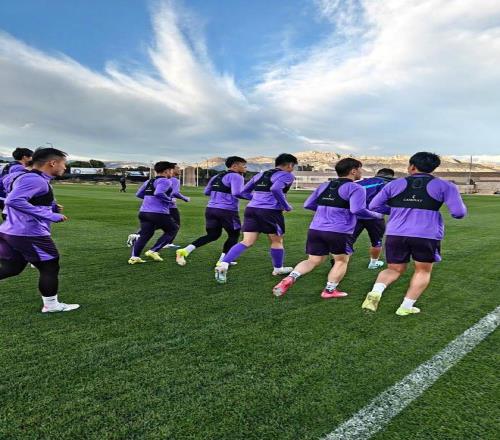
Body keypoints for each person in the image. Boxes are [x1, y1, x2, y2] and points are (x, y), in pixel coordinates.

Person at [361, 152, 467, 316]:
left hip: (396, 233)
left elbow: (374, 205)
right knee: (422, 271)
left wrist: (396, 211)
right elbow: (458, 213)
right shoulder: (446, 186)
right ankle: (406, 307)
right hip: (426, 234)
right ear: (433, 168)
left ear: (411, 167)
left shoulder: (394, 184)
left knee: (394, 269)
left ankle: (376, 292)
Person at [273, 158, 383, 298]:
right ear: (353, 171)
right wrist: (376, 215)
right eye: (360, 169)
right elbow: (357, 210)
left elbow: (308, 204)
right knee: (341, 261)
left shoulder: (325, 185)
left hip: (316, 229)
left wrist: (326, 212)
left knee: (312, 260)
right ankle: (329, 291)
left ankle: (290, 277)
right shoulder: (356, 188)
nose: (361, 172)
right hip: (339, 231)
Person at [0, 147, 79, 313]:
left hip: (10, 230)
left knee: (12, 268)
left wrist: (50, 206)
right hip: (28, 233)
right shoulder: (35, 180)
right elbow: (14, 200)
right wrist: (49, 215)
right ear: (53, 163)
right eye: (63, 163)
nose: (65, 167)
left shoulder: (19, 175)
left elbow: (21, 198)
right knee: (50, 266)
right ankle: (51, 305)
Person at [214, 153, 298, 284]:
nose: (292, 169)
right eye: (293, 166)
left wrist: (257, 200)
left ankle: (223, 264)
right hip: (270, 212)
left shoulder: (260, 175)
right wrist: (286, 206)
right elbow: (276, 188)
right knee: (277, 241)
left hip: (251, 209)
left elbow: (243, 192)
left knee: (247, 241)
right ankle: (278, 269)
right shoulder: (287, 175)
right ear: (289, 165)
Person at [176, 156, 247, 266]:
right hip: (227, 211)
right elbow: (237, 193)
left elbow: (206, 192)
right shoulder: (237, 176)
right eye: (243, 165)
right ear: (234, 166)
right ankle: (223, 261)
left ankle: (185, 250)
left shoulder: (216, 176)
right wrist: (255, 198)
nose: (245, 168)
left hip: (211, 209)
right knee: (234, 235)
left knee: (213, 234)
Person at [128, 161, 179, 264]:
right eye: (171, 170)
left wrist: (150, 200)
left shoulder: (149, 181)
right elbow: (158, 193)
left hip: (144, 212)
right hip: (158, 213)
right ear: (166, 171)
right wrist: (170, 200)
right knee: (173, 229)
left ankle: (134, 257)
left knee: (145, 234)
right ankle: (153, 251)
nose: (172, 172)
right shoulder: (165, 181)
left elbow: (139, 194)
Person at [348, 168, 395, 269]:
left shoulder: (361, 182)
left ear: (377, 174)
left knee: (348, 240)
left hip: (356, 215)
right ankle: (373, 264)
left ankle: (339, 263)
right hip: (375, 217)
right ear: (390, 175)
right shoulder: (387, 184)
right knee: (376, 242)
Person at [163, 164, 190, 249]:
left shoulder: (163, 179)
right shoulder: (175, 180)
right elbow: (175, 193)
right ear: (172, 170)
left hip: (162, 206)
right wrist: (185, 198)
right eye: (177, 168)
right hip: (171, 206)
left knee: (157, 224)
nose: (179, 169)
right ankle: (167, 243)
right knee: (176, 225)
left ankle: (137, 235)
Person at [0, 148, 33, 215]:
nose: (32, 159)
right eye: (31, 157)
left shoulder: (9, 164)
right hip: (6, 195)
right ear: (25, 157)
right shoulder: (19, 168)